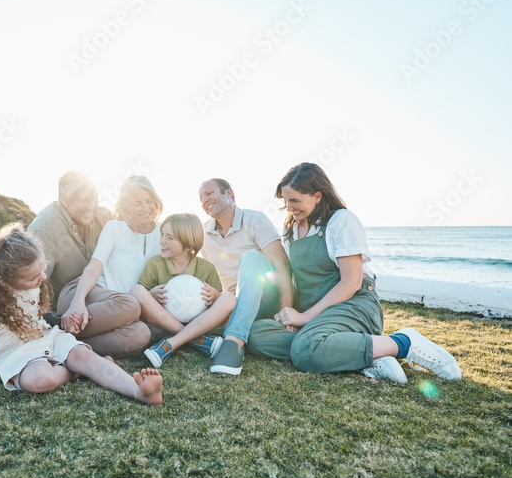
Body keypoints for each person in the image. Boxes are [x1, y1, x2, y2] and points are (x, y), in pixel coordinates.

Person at [247, 162, 462, 381]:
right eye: (285, 201)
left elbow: (351, 283)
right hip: (316, 315)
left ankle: (402, 343)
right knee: (256, 334)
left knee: (305, 350)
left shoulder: (341, 221)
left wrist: (304, 317)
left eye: (295, 200)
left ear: (318, 196)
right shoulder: (291, 228)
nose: (289, 207)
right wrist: (290, 314)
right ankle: (368, 352)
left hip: (352, 306)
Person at [0, 223, 163, 404]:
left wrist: (61, 321)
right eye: (33, 277)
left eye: (43, 269)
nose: (42, 278)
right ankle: (75, 372)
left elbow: (39, 316)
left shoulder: (35, 286)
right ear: (5, 280)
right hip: (15, 352)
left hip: (46, 336)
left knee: (87, 357)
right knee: (41, 380)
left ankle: (140, 392)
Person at [28, 171, 149, 358]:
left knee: (141, 333)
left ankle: (62, 344)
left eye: (94, 199)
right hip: (65, 308)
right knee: (131, 306)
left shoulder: (101, 217)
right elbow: (29, 286)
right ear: (64, 199)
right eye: (84, 200)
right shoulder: (44, 229)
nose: (90, 206)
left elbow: (127, 226)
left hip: (95, 300)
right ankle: (57, 333)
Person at [198, 177, 294, 375]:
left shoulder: (254, 220)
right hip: (233, 305)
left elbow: (281, 264)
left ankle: (233, 342)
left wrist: (287, 312)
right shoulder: (203, 234)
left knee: (251, 258)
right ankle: (234, 332)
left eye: (209, 193)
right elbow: (215, 279)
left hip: (265, 297)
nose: (204, 200)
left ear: (229, 193)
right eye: (201, 198)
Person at [129, 213, 237, 368]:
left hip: (199, 323)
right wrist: (151, 294)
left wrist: (215, 296)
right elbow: (141, 298)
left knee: (229, 297)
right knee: (137, 291)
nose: (162, 241)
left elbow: (219, 303)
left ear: (188, 245)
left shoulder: (206, 268)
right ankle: (195, 340)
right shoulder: (155, 264)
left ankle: (171, 344)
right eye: (162, 234)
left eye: (170, 238)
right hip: (163, 325)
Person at [62, 176, 163, 342]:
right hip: (86, 294)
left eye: (149, 201)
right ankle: (62, 323)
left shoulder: (163, 231)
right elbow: (95, 266)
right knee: (131, 305)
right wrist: (77, 302)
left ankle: (67, 340)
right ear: (126, 207)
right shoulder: (115, 228)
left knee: (141, 334)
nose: (145, 208)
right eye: (137, 203)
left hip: (123, 309)